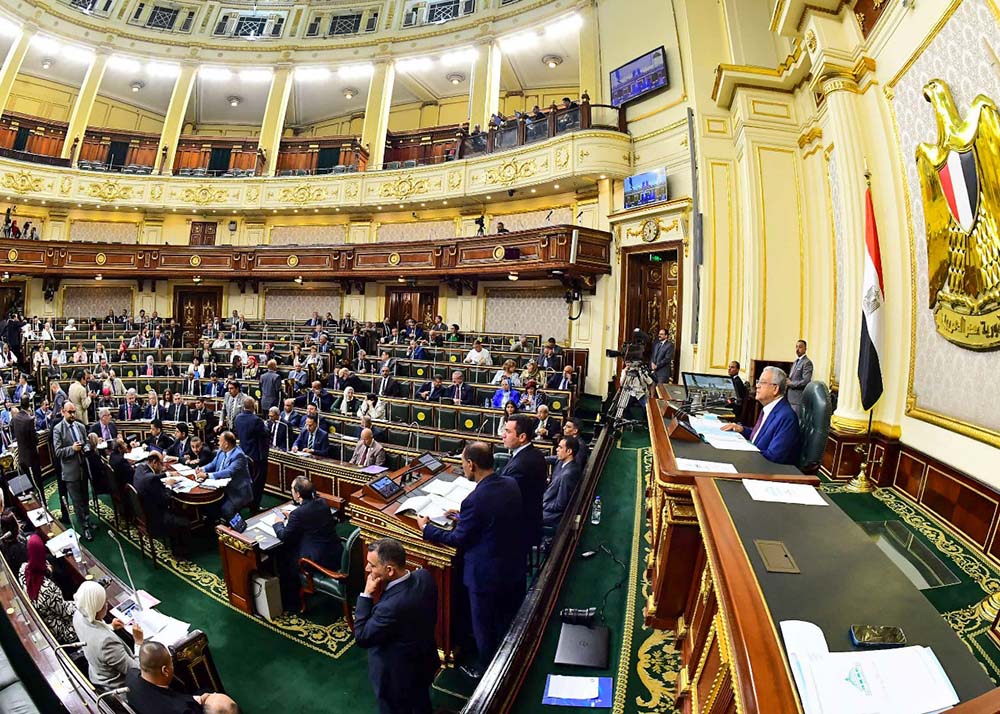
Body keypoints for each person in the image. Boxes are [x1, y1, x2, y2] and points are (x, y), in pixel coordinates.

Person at [419, 442, 524, 678]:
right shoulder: (510, 483)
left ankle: (487, 671)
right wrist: (463, 517)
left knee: (483, 624)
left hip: (485, 574)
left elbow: (458, 539)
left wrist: (427, 529)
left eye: (463, 463)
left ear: (471, 464)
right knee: (503, 617)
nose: (463, 467)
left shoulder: (475, 500)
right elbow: (493, 518)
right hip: (511, 563)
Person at [354, 538, 439, 714]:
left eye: (372, 565)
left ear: (390, 570)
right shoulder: (425, 576)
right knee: (421, 703)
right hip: (423, 661)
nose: (367, 569)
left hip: (396, 677)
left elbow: (362, 636)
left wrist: (366, 594)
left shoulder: (389, 608)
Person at [275, 476, 342, 605]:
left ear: (298, 494)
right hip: (335, 551)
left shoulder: (298, 514)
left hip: (317, 560)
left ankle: (290, 597)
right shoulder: (322, 503)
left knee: (282, 554)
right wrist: (293, 517)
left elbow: (284, 536)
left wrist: (278, 523)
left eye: (292, 489)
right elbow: (309, 517)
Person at [721, 366, 801, 464]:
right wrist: (741, 429)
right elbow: (760, 437)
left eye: (762, 382)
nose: (757, 386)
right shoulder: (769, 408)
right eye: (758, 381)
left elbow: (774, 457)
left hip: (765, 468)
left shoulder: (786, 417)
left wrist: (742, 451)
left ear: (775, 389)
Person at [73, 580, 142, 689]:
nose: (106, 605)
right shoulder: (106, 643)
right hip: (119, 686)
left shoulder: (77, 615)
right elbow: (136, 671)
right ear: (98, 610)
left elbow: (92, 633)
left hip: (97, 673)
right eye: (104, 602)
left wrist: (110, 627)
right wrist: (138, 643)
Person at [499, 414, 548, 557]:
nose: (503, 435)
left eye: (508, 432)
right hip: (529, 521)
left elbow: (505, 500)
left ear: (522, 437)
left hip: (518, 531)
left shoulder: (521, 465)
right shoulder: (534, 453)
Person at [126, 641, 214, 714]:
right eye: (171, 662)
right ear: (165, 670)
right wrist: (199, 701)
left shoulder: (130, 677)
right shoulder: (180, 710)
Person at [20, 533, 76, 645]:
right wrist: (83, 601)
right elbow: (66, 612)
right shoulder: (48, 589)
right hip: (61, 630)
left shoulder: (23, 569)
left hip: (44, 618)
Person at [52, 402, 94, 541]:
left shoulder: (80, 426)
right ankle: (84, 527)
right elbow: (58, 452)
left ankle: (88, 520)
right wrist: (72, 449)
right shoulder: (58, 429)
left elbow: (86, 442)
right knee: (77, 502)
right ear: (63, 412)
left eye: (74, 412)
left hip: (83, 467)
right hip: (70, 471)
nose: (72, 415)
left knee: (85, 498)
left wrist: (86, 447)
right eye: (70, 412)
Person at [134, 451, 191, 554]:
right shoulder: (152, 479)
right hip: (155, 519)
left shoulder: (140, 469)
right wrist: (169, 486)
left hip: (143, 513)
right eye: (162, 463)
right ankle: (180, 552)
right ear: (154, 463)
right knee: (184, 519)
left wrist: (166, 474)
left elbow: (152, 478)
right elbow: (166, 500)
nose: (163, 466)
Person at [196, 431, 253, 520]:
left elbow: (229, 472)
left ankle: (234, 527)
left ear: (226, 444)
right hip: (221, 487)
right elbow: (213, 464)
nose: (218, 443)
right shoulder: (221, 451)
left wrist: (207, 475)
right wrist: (202, 469)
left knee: (226, 510)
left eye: (220, 441)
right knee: (207, 504)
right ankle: (215, 522)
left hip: (236, 491)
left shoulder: (239, 455)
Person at [234, 398, 269, 510]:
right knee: (258, 482)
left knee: (247, 480)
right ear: (254, 406)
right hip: (257, 456)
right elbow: (265, 433)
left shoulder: (238, 418)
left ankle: (246, 502)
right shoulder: (257, 420)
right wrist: (266, 425)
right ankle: (255, 506)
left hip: (244, 453)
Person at [543, 436, 582, 528]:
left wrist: (543, 504)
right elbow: (551, 458)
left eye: (560, 447)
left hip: (553, 516)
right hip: (547, 505)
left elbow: (560, 505)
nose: (557, 449)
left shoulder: (568, 474)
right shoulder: (563, 462)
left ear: (569, 451)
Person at [11, 397, 41, 490]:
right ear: (29, 405)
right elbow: (35, 440)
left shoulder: (14, 418)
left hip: (21, 456)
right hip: (32, 457)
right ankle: (42, 498)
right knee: (38, 483)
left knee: (28, 486)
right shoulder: (29, 419)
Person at [787, 340, 814, 413]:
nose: (797, 349)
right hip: (790, 398)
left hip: (797, 400)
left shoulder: (807, 363)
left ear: (805, 349)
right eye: (796, 347)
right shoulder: (795, 362)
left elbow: (806, 381)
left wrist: (791, 383)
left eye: (800, 347)